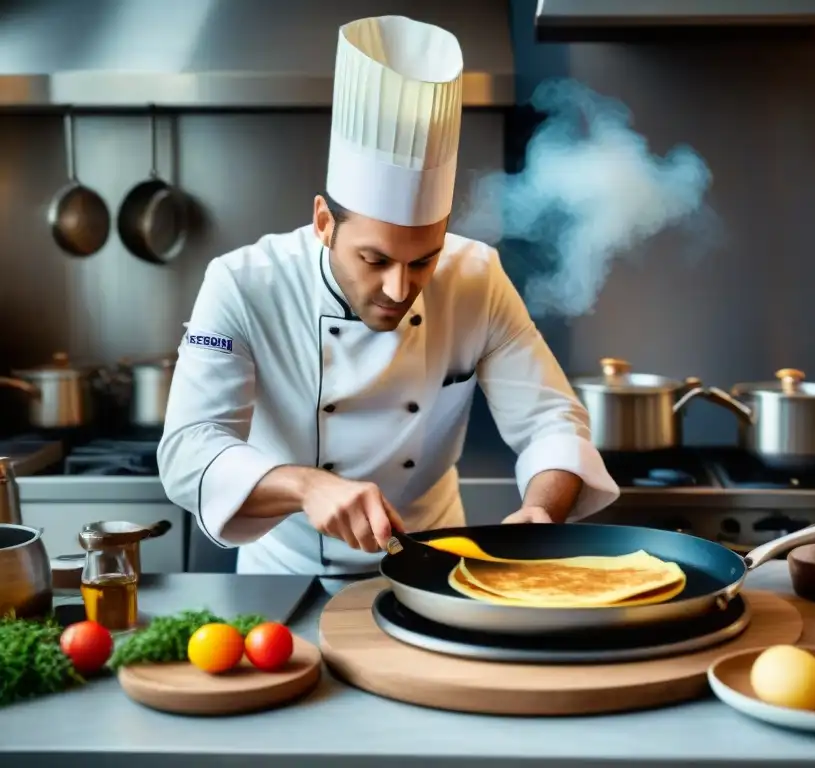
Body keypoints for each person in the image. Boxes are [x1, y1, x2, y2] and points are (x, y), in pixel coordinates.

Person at [157, 15, 620, 577]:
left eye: (424, 260)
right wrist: (306, 486)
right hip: (283, 577)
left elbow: (551, 420)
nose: (400, 289)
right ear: (324, 221)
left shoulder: (477, 277)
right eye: (374, 260)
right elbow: (189, 450)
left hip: (435, 569)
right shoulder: (244, 283)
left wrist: (541, 511)